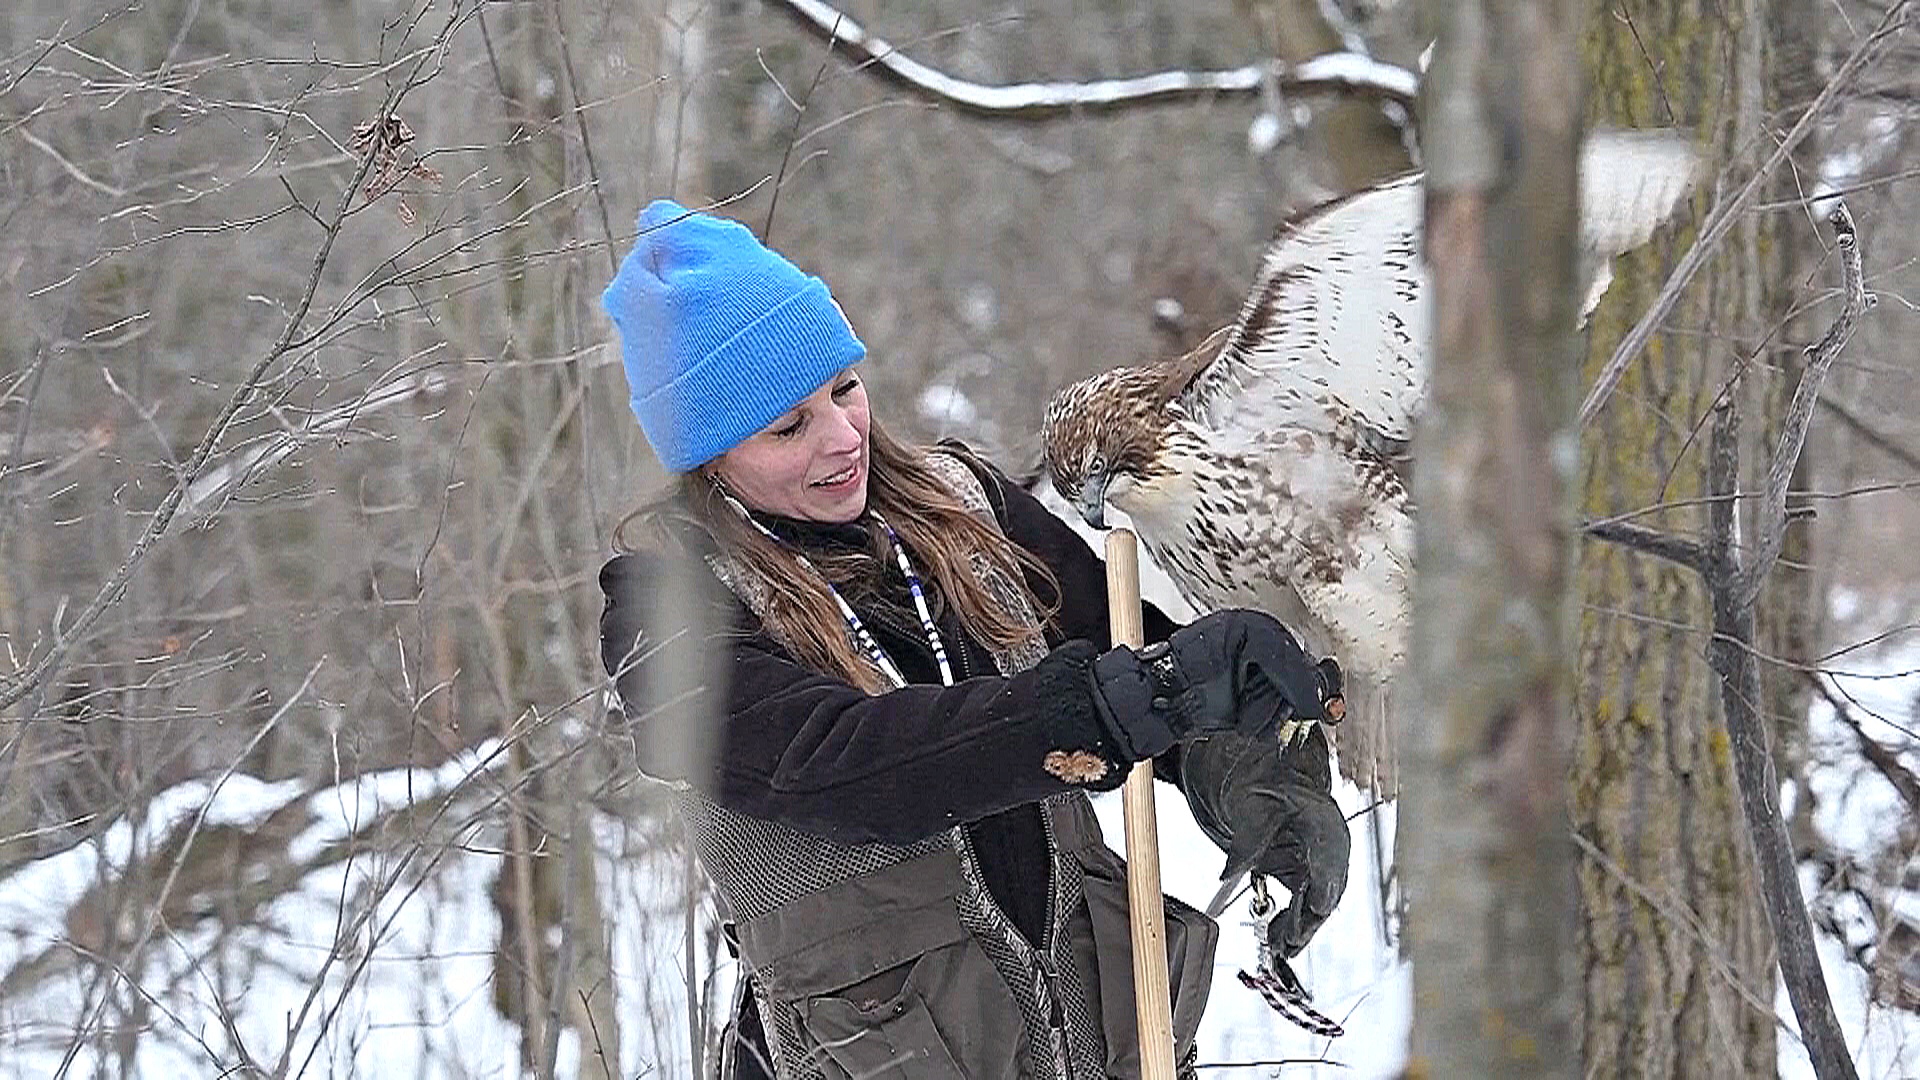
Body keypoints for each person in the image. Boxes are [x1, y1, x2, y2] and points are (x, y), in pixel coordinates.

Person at [597, 199, 1350, 1080]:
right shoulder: (667, 605)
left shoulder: (969, 507)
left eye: (844, 389)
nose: (844, 439)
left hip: (1103, 1037)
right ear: (709, 454)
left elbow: (1135, 659)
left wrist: (1243, 758)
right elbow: (849, 766)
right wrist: (1120, 703)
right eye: (788, 426)